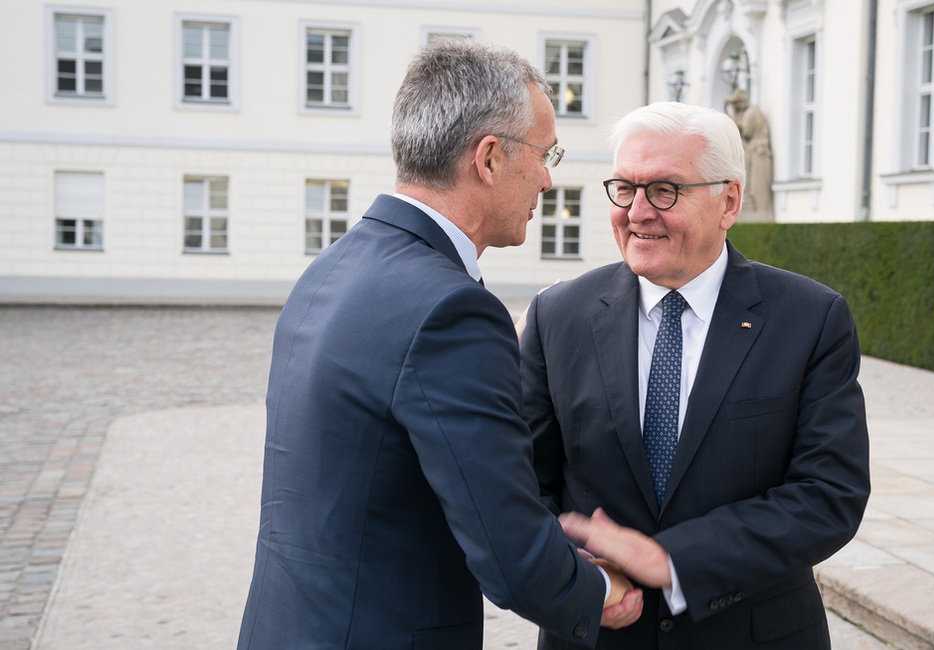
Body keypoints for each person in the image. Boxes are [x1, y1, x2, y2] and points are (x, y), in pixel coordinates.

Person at [236, 39, 641, 650]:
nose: (549, 178)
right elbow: (506, 544)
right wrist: (601, 592)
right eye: (544, 152)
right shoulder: (453, 311)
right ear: (489, 159)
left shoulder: (333, 267)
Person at [519, 101, 870, 649]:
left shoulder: (810, 319)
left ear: (728, 200)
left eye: (664, 190)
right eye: (624, 188)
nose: (637, 212)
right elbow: (523, 485)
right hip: (598, 632)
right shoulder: (556, 316)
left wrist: (672, 560)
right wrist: (579, 578)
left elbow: (829, 494)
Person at [724, 88, 773, 221]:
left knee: (754, 184)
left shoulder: (752, 112)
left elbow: (744, 132)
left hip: (757, 152)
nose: (736, 107)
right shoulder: (744, 112)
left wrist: (729, 109)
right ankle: (745, 205)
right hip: (751, 151)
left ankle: (753, 207)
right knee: (746, 181)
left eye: (737, 104)